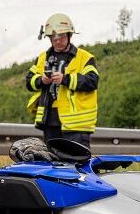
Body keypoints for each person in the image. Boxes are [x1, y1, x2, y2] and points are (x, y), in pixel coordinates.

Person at [26, 13, 99, 147]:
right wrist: (42, 80)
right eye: (54, 37)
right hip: (49, 122)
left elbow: (92, 81)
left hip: (76, 125)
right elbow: (29, 81)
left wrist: (65, 79)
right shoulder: (43, 58)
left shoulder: (84, 57)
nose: (57, 41)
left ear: (69, 35)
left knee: (75, 165)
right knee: (52, 165)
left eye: (61, 37)